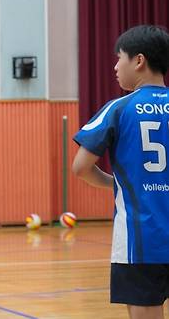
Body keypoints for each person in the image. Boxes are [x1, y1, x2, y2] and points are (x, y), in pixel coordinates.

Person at [72, 25, 169, 319]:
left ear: (139, 61)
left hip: (141, 241)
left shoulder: (119, 108)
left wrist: (115, 184)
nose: (115, 66)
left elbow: (80, 167)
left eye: (119, 58)